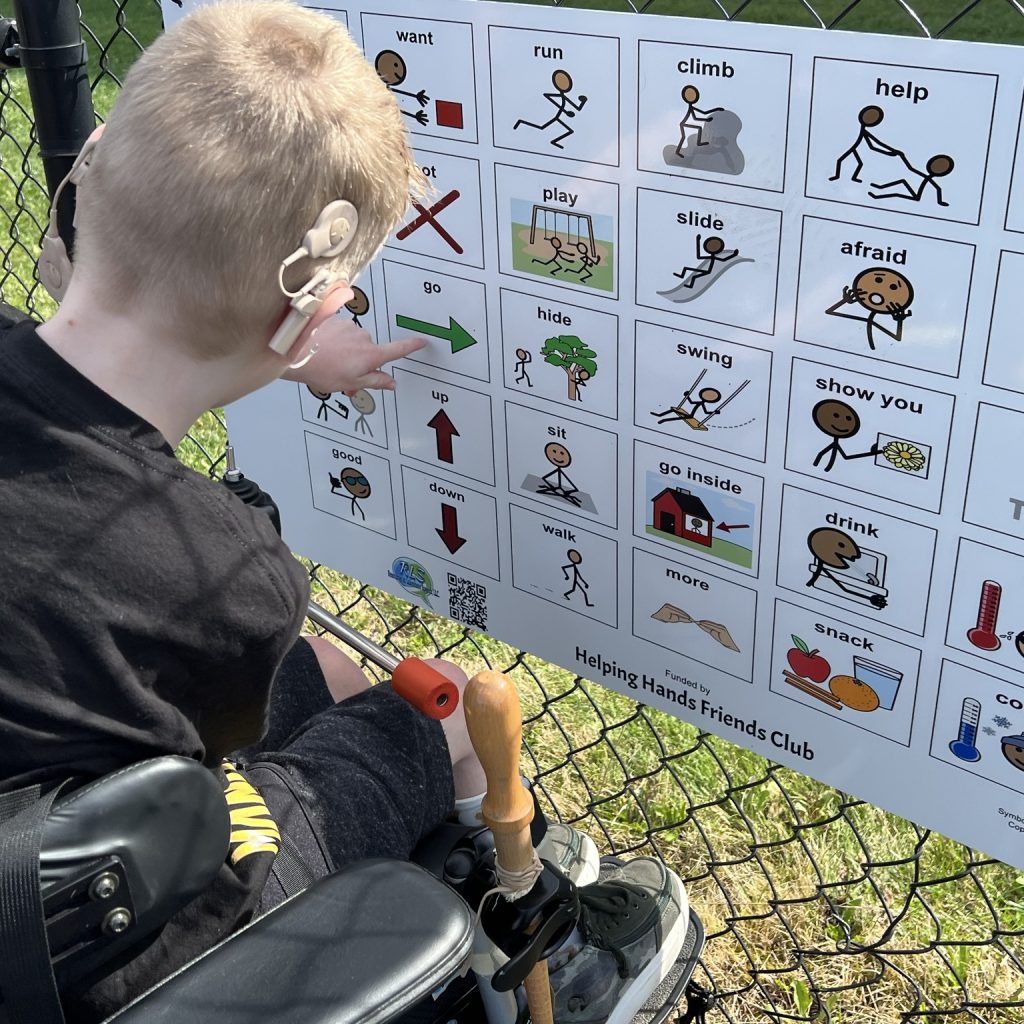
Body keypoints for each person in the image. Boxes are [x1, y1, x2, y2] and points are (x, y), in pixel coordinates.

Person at [0, 3, 688, 1021]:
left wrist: (292, 337)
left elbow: (85, 295)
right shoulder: (220, 566)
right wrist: (287, 331)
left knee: (318, 670)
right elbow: (228, 742)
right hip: (124, 944)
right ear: (308, 306)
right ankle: (512, 938)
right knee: (439, 706)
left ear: (90, 167)